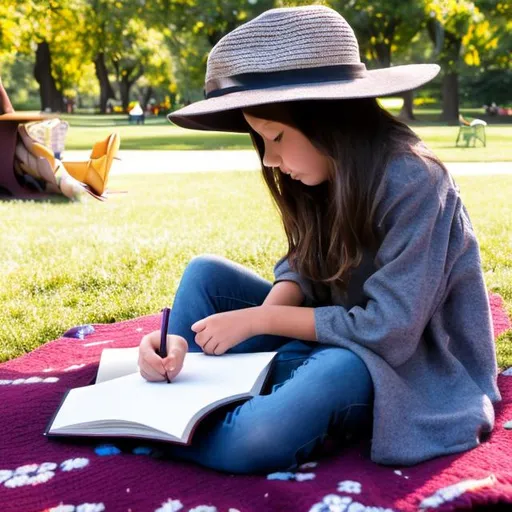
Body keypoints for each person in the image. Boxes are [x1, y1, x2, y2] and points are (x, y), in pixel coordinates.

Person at [138, 5, 501, 475]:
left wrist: (262, 321)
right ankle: (179, 380)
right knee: (205, 273)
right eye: (260, 141)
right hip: (323, 334)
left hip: (397, 367)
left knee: (274, 422)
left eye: (276, 137)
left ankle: (176, 428)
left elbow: (390, 331)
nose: (269, 159)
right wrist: (201, 337)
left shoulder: (414, 180)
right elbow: (303, 264)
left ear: (328, 117)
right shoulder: (321, 172)